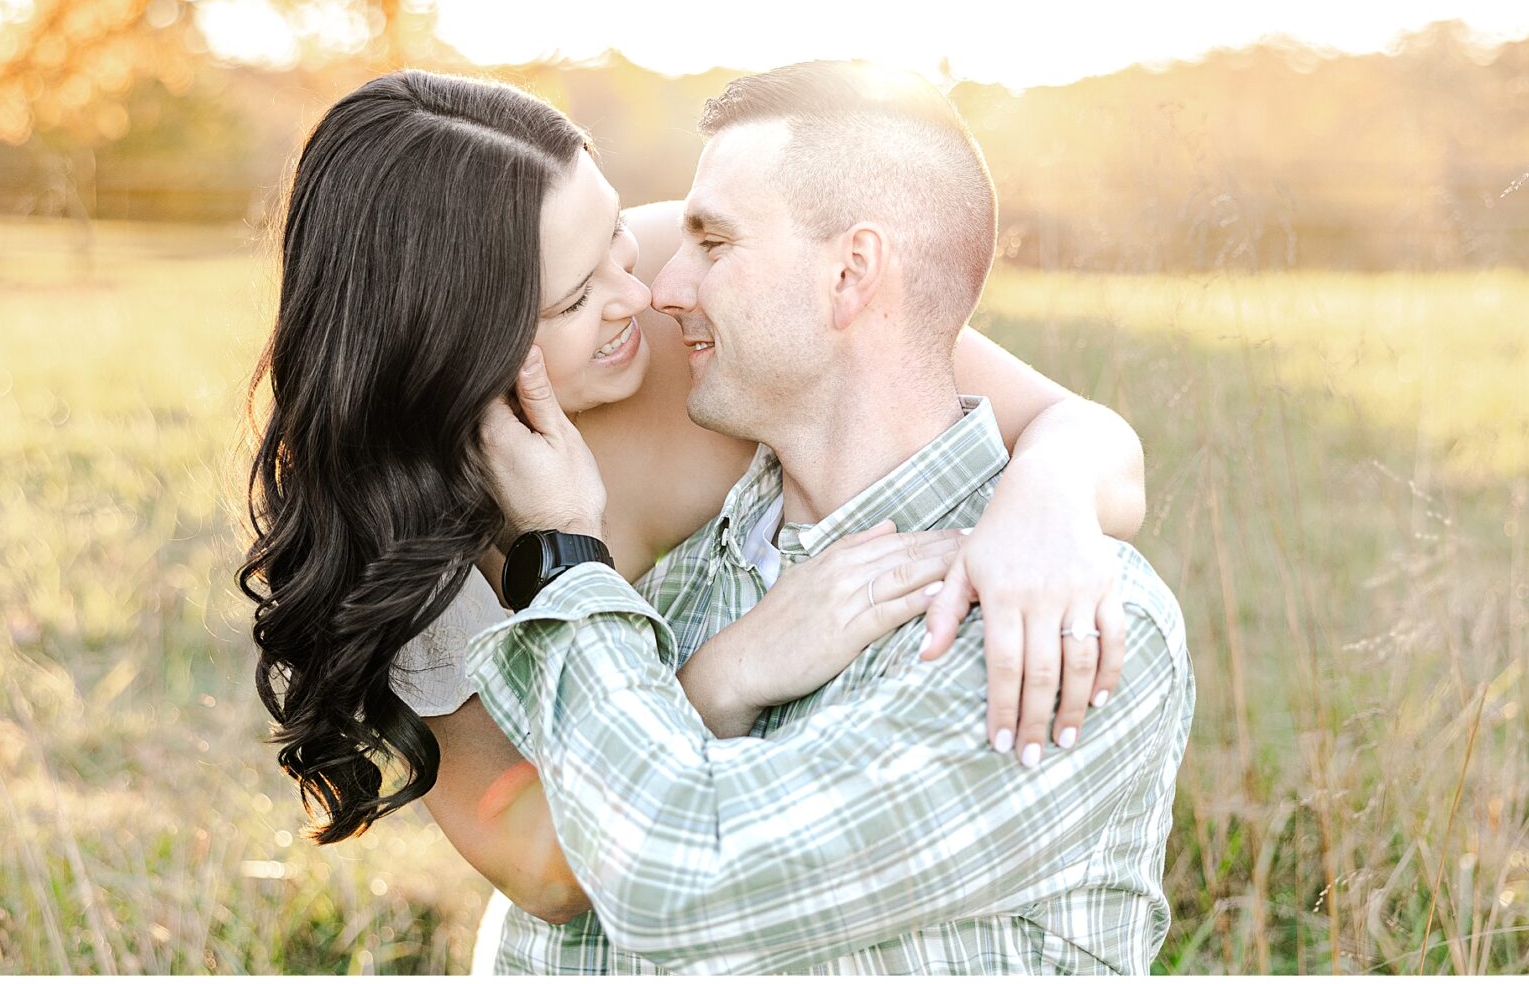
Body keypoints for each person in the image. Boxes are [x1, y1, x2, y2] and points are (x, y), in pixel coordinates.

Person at [239, 70, 1149, 932]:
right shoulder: (412, 544)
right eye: (574, 298)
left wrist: (1049, 507)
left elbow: (1080, 434)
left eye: (619, 246)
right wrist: (723, 675)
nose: (643, 297)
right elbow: (550, 874)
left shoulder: (710, 304)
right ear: (447, 348)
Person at [469, 61, 1195, 974]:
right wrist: (711, 682)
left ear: (851, 274)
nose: (665, 288)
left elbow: (676, 883)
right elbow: (556, 942)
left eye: (713, 243)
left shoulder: (1065, 629)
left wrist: (567, 559)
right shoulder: (689, 574)